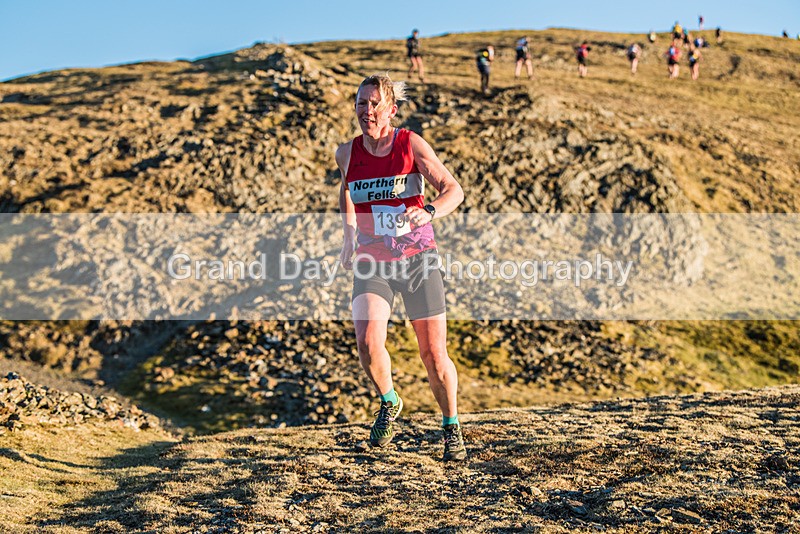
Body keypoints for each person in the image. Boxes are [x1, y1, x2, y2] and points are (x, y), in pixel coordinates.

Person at [335, 74, 467, 462]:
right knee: (367, 342)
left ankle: (451, 427)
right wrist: (348, 235)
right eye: (361, 103)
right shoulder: (347, 153)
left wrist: (426, 213)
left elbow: (453, 189)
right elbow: (346, 188)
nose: (367, 110)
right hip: (373, 259)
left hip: (417, 260)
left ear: (391, 109)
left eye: (375, 103)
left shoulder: (410, 144)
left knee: (432, 353)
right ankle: (390, 401)